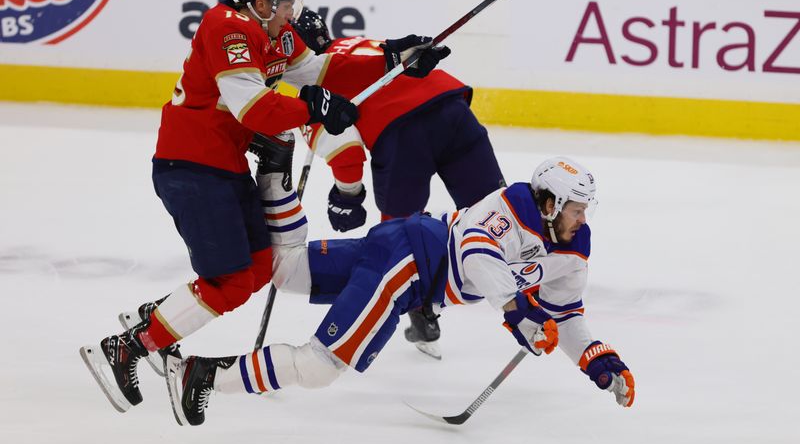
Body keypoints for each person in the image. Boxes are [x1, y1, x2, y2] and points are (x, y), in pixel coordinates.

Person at [79, 0, 449, 414]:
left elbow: (320, 69)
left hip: (223, 167)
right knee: (231, 282)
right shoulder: (227, 29)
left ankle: (149, 322)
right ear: (260, 3)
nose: (293, 14)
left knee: (255, 270)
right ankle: (127, 347)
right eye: (287, 6)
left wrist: (394, 56)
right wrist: (314, 109)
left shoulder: (274, 32)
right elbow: (253, 110)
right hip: (191, 168)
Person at [164, 148, 636, 426]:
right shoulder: (511, 206)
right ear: (550, 203)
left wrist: (598, 361)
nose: (582, 218)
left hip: (404, 255)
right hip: (407, 263)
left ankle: (273, 173)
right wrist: (519, 312)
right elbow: (476, 254)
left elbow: (566, 313)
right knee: (322, 365)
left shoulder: (573, 248)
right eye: (576, 207)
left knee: (283, 268)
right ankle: (199, 377)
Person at [290, 7, 507, 358]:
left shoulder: (310, 85)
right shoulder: (356, 46)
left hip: (402, 135)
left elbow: (345, 154)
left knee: (400, 240)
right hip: (453, 111)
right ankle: (535, 289)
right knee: (498, 216)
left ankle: (421, 313)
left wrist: (347, 196)